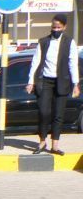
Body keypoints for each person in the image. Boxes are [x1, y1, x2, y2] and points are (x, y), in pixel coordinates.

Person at [26, 13, 80, 155]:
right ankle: (42, 142)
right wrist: (31, 81)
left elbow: (73, 63)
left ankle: (54, 145)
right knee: (44, 112)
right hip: (45, 81)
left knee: (58, 114)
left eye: (58, 27)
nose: (55, 30)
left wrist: (76, 84)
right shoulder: (43, 42)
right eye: (53, 27)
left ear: (64, 27)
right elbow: (36, 62)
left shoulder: (69, 42)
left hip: (62, 82)